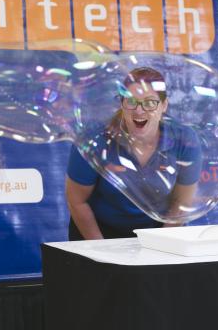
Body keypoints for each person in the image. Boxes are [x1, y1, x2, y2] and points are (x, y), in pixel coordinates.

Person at [65, 67, 202, 240]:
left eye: (150, 102)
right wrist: (101, 252)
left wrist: (160, 245)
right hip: (98, 232)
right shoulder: (93, 139)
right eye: (130, 101)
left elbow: (181, 203)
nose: (139, 110)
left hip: (160, 232)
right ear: (121, 104)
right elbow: (77, 201)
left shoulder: (184, 140)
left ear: (164, 105)